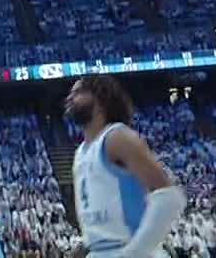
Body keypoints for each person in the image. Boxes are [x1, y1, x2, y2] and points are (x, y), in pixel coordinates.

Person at [65, 76, 186, 258]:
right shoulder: (81, 152)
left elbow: (170, 197)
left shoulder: (117, 137)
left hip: (131, 249)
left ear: (100, 100)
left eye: (78, 92)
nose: (69, 98)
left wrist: (135, 252)